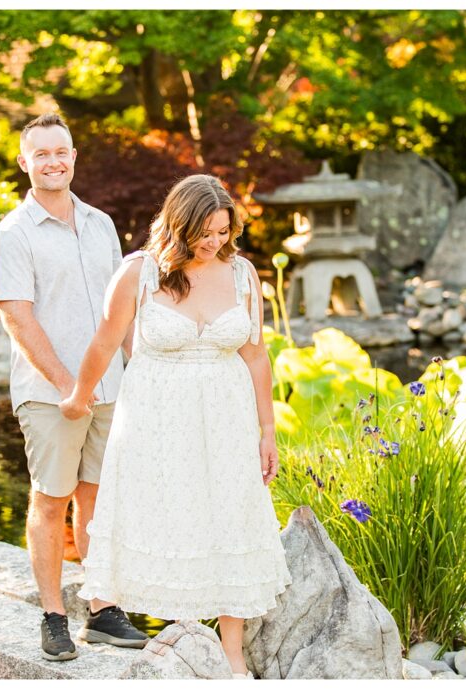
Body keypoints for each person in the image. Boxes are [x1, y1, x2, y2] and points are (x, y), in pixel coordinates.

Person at [60, 174, 292, 678]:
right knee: (174, 521)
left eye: (222, 232)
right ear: (177, 225)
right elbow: (104, 344)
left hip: (226, 419)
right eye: (203, 233)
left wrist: (267, 430)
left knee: (232, 517)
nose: (213, 243)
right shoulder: (139, 274)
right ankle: (184, 638)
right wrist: (79, 396)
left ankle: (231, 652)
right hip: (157, 422)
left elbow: (255, 355)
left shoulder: (243, 273)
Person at [0, 112, 149, 662]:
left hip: (111, 389)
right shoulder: (12, 233)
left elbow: (122, 313)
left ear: (74, 157)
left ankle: (102, 609)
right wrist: (68, 386)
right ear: (24, 163)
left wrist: (135, 373)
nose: (53, 161)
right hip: (49, 393)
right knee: (50, 500)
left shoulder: (101, 224)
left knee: (98, 499)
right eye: (41, 154)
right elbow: (18, 317)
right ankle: (53, 616)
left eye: (62, 151)